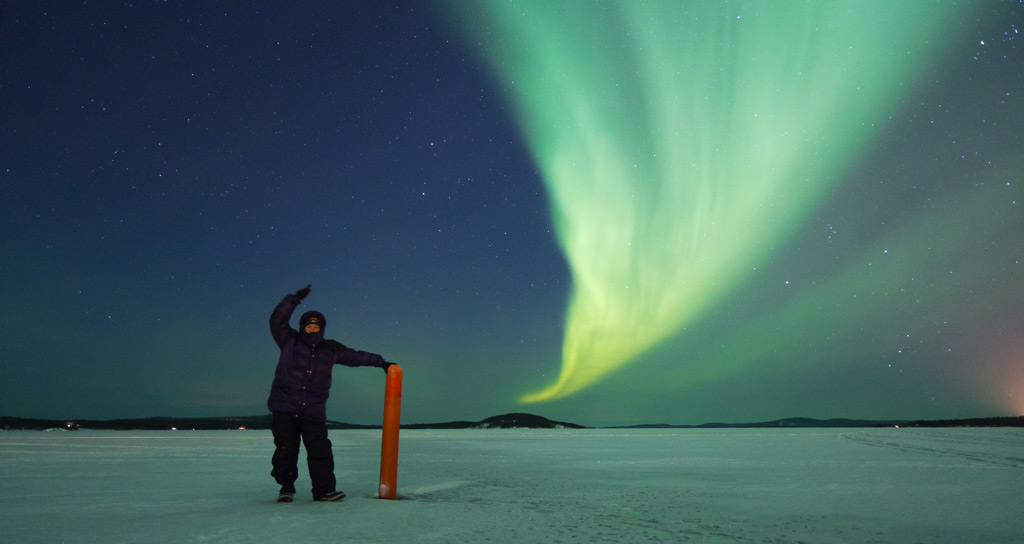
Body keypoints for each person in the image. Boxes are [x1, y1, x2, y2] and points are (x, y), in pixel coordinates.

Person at [267, 284, 394, 502]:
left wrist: (380, 362)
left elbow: (355, 357)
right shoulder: (290, 341)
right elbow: (276, 320)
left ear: (322, 329)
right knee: (286, 451)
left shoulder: (331, 348)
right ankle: (286, 488)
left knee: (320, 452)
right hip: (285, 407)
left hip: (314, 411)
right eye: (308, 326)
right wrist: (293, 299)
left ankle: (324, 491)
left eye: (316, 327)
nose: (312, 330)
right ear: (302, 327)